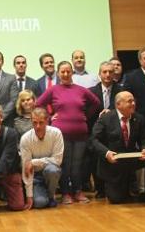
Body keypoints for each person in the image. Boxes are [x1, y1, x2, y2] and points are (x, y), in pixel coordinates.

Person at [36, 61, 100, 204]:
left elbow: (96, 102)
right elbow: (38, 104)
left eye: (68, 71)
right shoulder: (53, 90)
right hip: (61, 134)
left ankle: (77, 191)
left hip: (80, 134)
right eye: (62, 72)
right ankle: (65, 193)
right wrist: (49, 117)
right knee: (65, 164)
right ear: (58, 73)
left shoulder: (81, 90)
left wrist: (86, 116)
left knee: (78, 165)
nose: (65, 74)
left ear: (72, 73)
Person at [91, 91, 145, 204]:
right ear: (118, 104)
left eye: (133, 101)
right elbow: (94, 140)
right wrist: (107, 153)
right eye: (129, 101)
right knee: (117, 199)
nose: (133, 103)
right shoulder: (106, 118)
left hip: (131, 159)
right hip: (113, 163)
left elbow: (144, 140)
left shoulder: (139, 118)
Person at [88, 61, 123, 198]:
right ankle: (100, 189)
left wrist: (112, 112)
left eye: (110, 72)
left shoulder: (121, 90)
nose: (108, 74)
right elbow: (86, 112)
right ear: (99, 74)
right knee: (96, 158)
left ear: (114, 73)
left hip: (116, 131)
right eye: (104, 72)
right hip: (96, 131)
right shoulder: (91, 91)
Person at [20, 108, 63, 209]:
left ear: (47, 121)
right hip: (35, 177)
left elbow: (57, 160)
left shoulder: (56, 133)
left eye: (41, 122)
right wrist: (29, 196)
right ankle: (43, 196)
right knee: (40, 203)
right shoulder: (25, 139)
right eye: (34, 123)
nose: (37, 126)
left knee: (52, 170)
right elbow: (26, 169)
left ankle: (51, 196)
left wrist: (34, 162)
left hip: (51, 173)